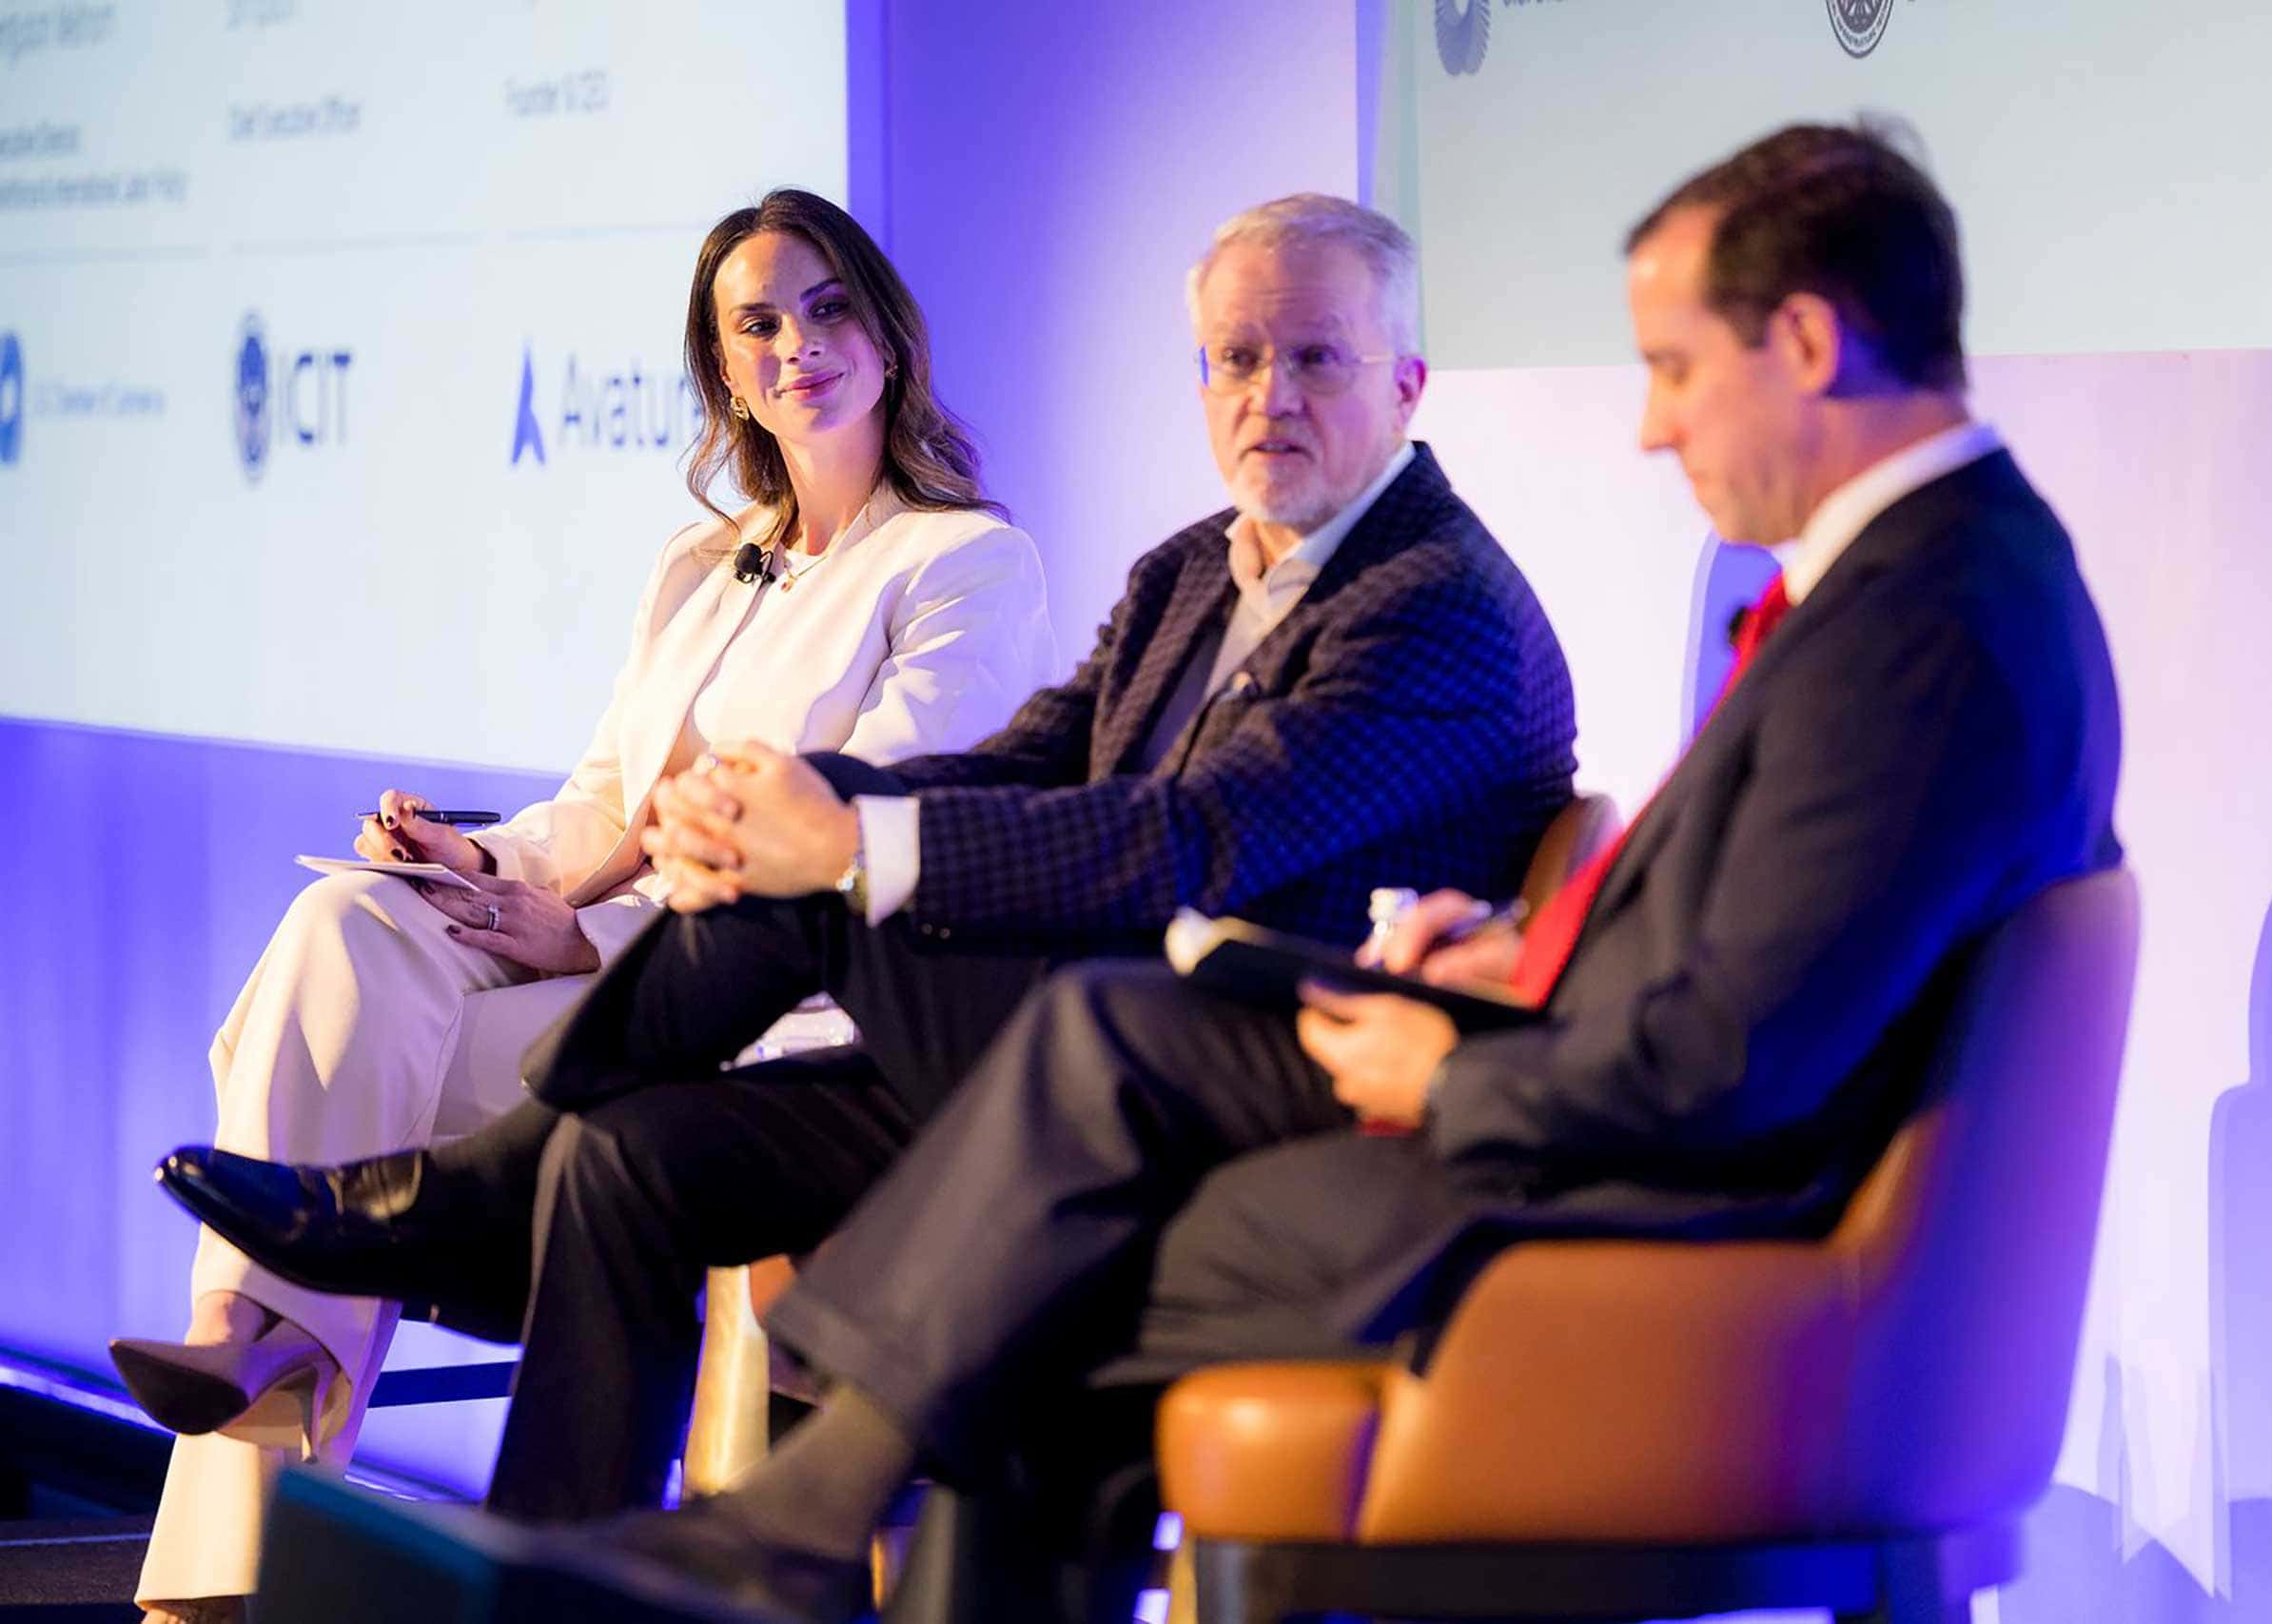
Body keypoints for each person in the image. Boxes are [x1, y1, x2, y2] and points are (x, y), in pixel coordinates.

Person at [519, 119, 2126, 1621]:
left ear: (1806, 347)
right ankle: (783, 1513)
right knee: (1067, 1144)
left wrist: (1450, 1072)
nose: (1650, 423)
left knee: (1074, 1156)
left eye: (1674, 370)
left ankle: (790, 1521)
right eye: (1233, 357)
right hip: (1613, 1135)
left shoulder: (1926, 629)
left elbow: (1729, 1064)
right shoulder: (1935, 585)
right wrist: (1522, 966)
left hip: (1668, 1227)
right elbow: (1760, 964)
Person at [168, 194, 1579, 1526]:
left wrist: (834, 832)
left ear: (1407, 384)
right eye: (1236, 358)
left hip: (1203, 1090)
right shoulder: (1195, 567)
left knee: (824, 858)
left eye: (1316, 357)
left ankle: (449, 1210)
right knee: (609, 1139)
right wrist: (539, 854)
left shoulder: (1427, 601)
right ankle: (547, 1585)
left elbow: (1186, 840)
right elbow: (1028, 759)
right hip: (1067, 1051)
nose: (1270, 394)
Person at [110, 187, 1058, 1624]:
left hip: (769, 1017)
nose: (797, 345)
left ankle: (242, 1472)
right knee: (349, 924)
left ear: (886, 334)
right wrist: (486, 868)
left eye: (825, 309)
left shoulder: (959, 565)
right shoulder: (704, 561)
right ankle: (246, 1336)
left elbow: (845, 839)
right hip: (610, 966)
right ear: (726, 371)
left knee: (337, 1075)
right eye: (759, 326)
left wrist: (596, 934)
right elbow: (609, 801)